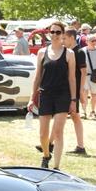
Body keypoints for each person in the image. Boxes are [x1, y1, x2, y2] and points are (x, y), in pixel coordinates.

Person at [27, 21, 77, 169]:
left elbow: (72, 78)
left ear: (62, 34)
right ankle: (46, 155)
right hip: (46, 95)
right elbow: (37, 77)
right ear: (49, 33)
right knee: (43, 134)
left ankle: (56, 167)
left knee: (58, 132)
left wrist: (73, 100)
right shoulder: (42, 52)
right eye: (52, 32)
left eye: (58, 32)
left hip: (62, 95)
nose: (55, 35)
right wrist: (31, 98)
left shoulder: (69, 54)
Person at [63, 28, 87, 153]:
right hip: (67, 88)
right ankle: (80, 146)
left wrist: (81, 90)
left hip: (74, 89)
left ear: (72, 38)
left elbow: (84, 72)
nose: (63, 41)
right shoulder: (67, 52)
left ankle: (81, 146)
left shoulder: (79, 52)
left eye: (65, 38)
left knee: (73, 116)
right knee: (72, 116)